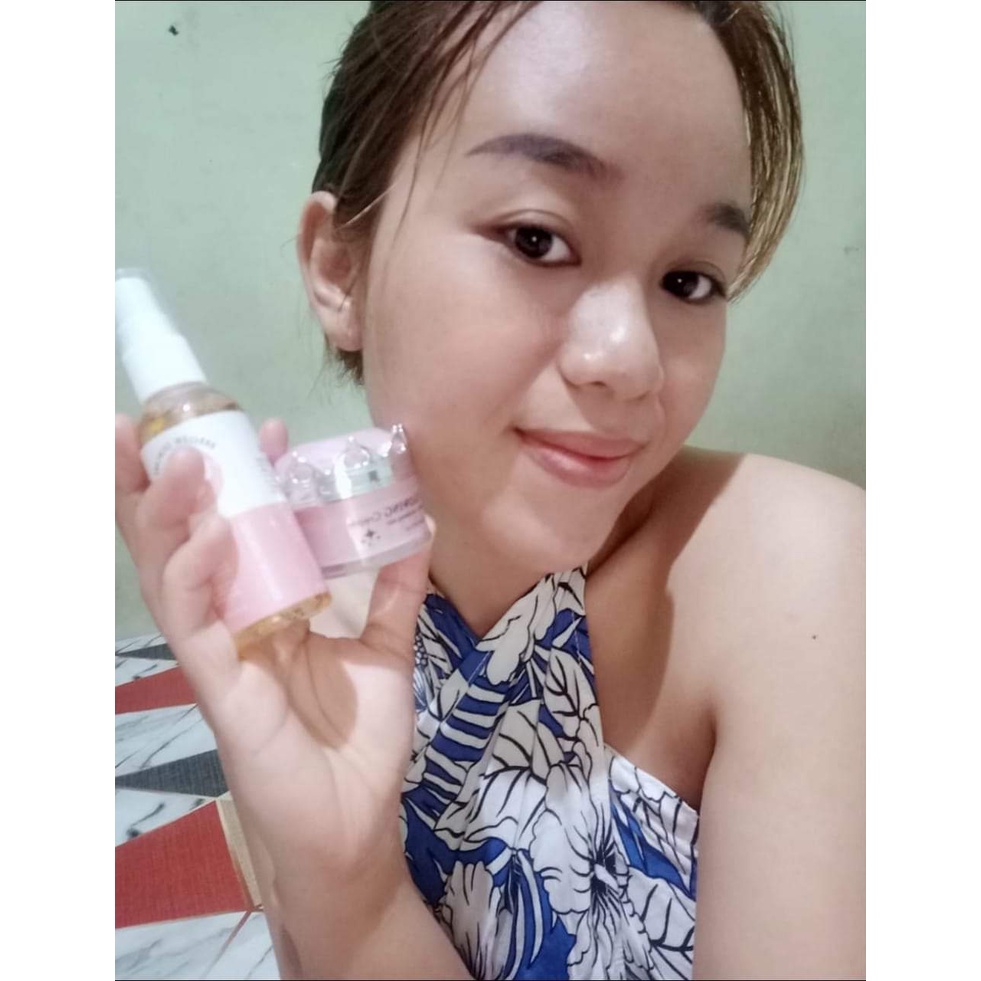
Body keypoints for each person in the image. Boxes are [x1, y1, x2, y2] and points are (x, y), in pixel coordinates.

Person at [114, 1, 865, 978]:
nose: (631, 360)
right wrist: (343, 883)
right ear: (339, 268)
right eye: (537, 238)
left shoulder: (804, 580)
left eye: (689, 281)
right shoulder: (306, 615)